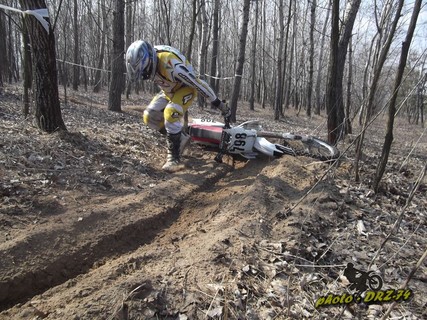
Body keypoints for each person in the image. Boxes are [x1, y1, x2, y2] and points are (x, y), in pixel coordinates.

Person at [125, 40, 230, 172]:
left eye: (144, 70)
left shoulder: (171, 65)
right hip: (168, 90)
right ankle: (180, 137)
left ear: (149, 60)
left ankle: (173, 159)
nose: (144, 74)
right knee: (149, 116)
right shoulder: (150, 59)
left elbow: (198, 83)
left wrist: (218, 103)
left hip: (186, 88)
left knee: (170, 112)